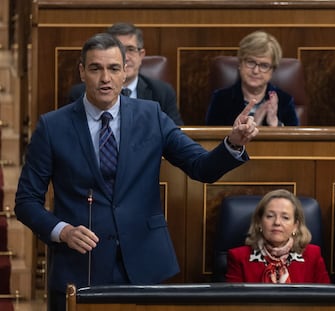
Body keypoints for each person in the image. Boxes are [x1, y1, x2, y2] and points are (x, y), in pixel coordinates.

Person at [14, 33, 258, 311]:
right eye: (96, 68)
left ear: (125, 71)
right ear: (82, 71)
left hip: (145, 264)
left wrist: (233, 144)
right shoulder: (52, 126)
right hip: (81, 267)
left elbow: (201, 167)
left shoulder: (151, 115)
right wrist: (63, 231)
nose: (105, 77)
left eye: (114, 68)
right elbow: (26, 202)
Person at [68, 22, 184, 125]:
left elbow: (175, 133)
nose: (125, 57)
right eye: (119, 50)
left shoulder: (162, 92)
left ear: (141, 55)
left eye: (130, 49)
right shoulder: (81, 93)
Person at [226, 189, 330, 283]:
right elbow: (233, 302)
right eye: (270, 216)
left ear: (295, 226)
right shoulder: (238, 257)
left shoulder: (313, 255)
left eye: (285, 217)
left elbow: (326, 299)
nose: (277, 222)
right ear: (259, 223)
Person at [205, 31, 299, 127]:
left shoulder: (285, 101)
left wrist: (275, 124)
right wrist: (249, 128)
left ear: (272, 70)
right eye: (250, 62)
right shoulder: (221, 99)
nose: (256, 71)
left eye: (264, 65)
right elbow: (212, 140)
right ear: (240, 63)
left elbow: (295, 141)